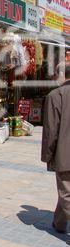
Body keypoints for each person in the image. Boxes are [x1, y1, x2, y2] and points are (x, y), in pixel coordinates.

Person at [41, 61, 70, 237]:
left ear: (61, 74)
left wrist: (47, 155)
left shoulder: (56, 95)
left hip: (65, 154)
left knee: (66, 192)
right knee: (65, 190)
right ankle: (59, 223)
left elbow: (51, 131)